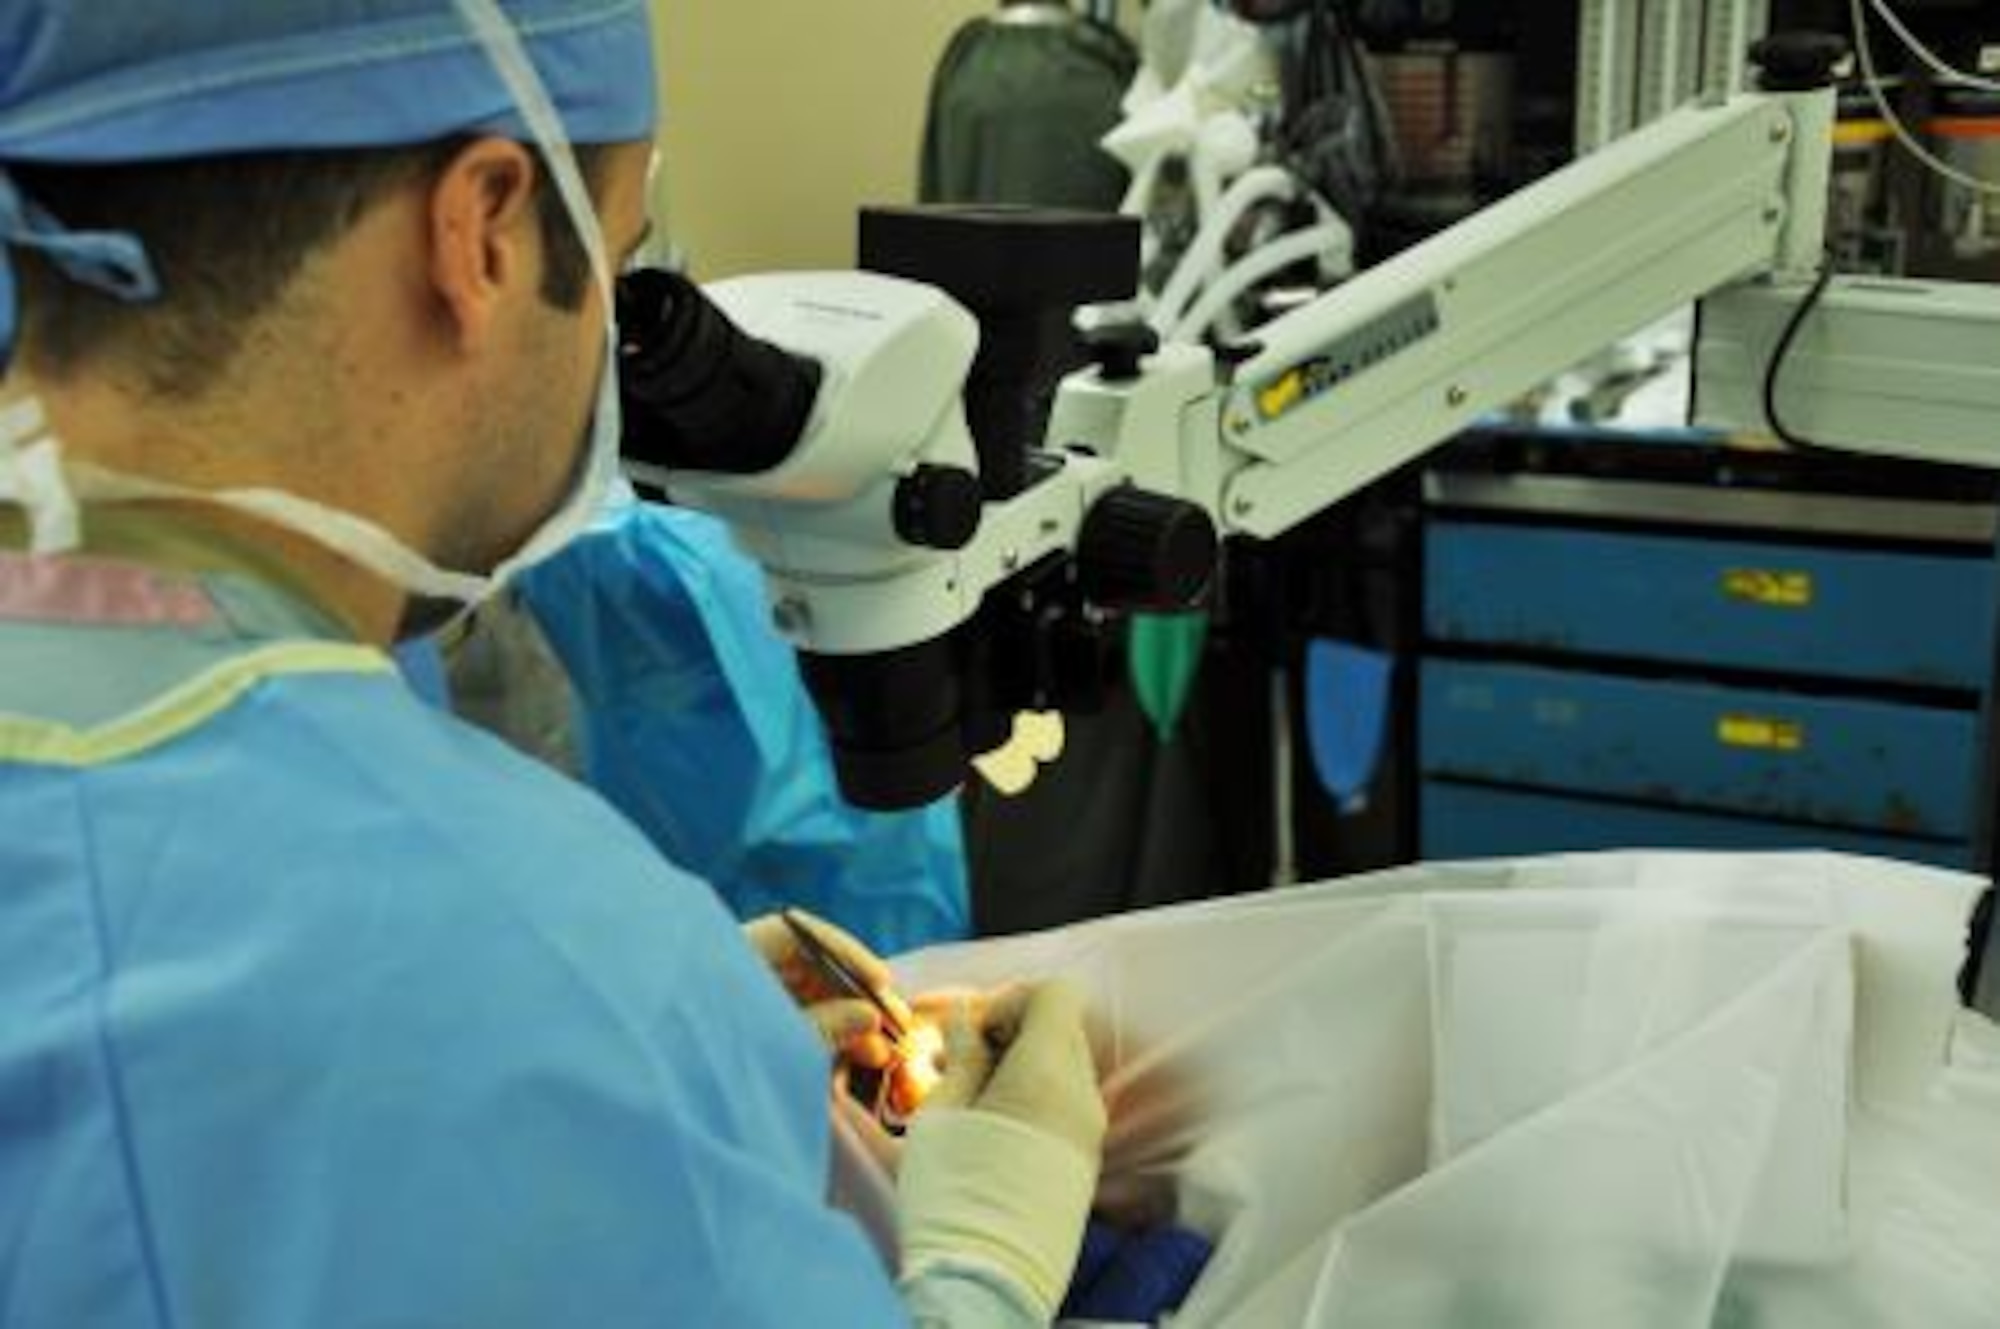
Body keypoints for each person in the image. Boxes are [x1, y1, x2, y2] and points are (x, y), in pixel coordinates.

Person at [0, 3, 1104, 1326]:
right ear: (484, 229)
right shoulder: (536, 975)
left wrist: (635, 1048)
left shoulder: (530, 978)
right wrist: (979, 1270)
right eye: (623, 258)